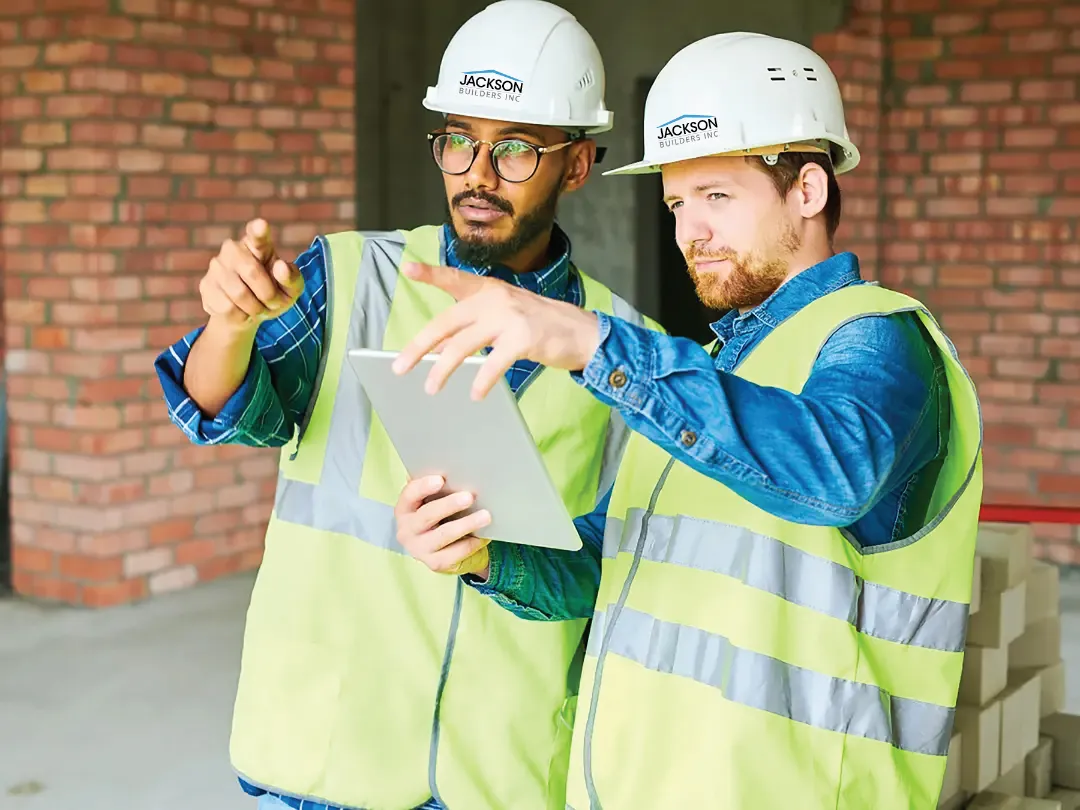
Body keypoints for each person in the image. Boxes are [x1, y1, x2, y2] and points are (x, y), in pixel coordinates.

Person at [391, 32, 983, 810]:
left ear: (807, 191)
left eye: (718, 197)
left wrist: (591, 341)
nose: (688, 231)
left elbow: (834, 474)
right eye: (676, 202)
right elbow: (611, 565)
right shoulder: (705, 369)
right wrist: (481, 558)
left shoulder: (879, 337)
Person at [153, 3, 662, 809]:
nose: (478, 175)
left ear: (578, 165)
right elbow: (223, 410)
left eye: (517, 149)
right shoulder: (352, 276)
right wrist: (229, 327)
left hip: (502, 773)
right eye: (459, 140)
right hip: (327, 762)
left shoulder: (625, 349)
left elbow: (611, 572)